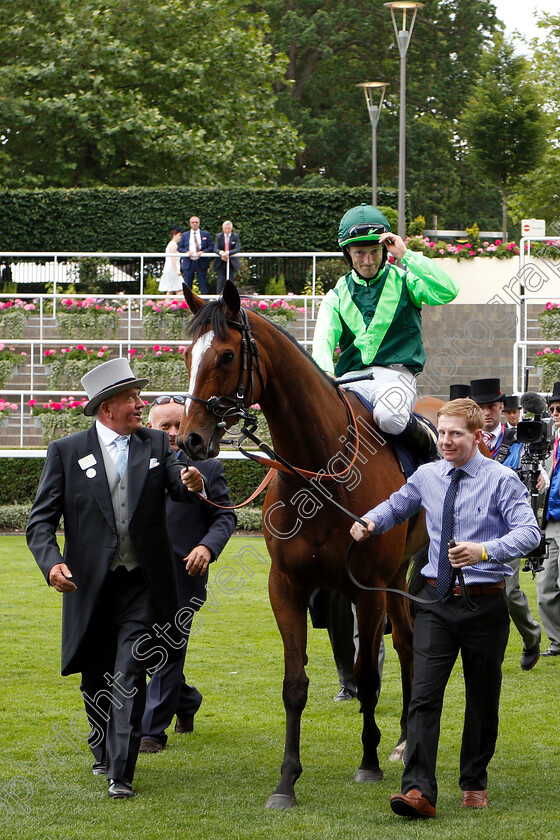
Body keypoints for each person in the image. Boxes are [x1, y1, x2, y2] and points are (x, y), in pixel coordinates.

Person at [350, 398, 540, 818]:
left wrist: (485, 550)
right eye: (442, 433)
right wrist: (369, 521)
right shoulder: (428, 475)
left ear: (476, 436)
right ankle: (417, 790)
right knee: (423, 695)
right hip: (435, 601)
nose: (447, 441)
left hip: (484, 605)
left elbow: (530, 533)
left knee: (482, 699)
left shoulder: (502, 479)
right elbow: (398, 504)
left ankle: (474, 781)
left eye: (456, 434)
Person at [26, 358, 204, 800]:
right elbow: (40, 522)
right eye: (132, 399)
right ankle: (102, 746)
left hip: (143, 584)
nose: (140, 405)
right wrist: (51, 564)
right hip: (89, 586)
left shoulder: (156, 445)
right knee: (95, 674)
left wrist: (193, 483)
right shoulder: (66, 452)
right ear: (107, 408)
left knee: (128, 672)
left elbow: (177, 487)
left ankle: (120, 773)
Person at [312, 204, 459, 458]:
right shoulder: (336, 294)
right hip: (350, 380)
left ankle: (432, 449)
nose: (367, 261)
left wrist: (407, 255)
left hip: (396, 377)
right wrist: (325, 371)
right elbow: (323, 339)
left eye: (374, 252)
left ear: (385, 249)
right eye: (359, 253)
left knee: (389, 417)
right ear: (347, 252)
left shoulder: (406, 281)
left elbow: (448, 290)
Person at [139, 395, 236, 752]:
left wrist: (206, 547)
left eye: (178, 424)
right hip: (136, 575)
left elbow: (225, 515)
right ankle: (187, 700)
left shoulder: (207, 467)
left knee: (167, 650)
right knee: (142, 650)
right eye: (164, 425)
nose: (172, 432)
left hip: (183, 577)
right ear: (149, 426)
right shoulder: (132, 461)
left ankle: (150, 732)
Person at [471, 378, 542, 670]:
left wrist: (540, 477)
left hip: (509, 526)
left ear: (502, 407)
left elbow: (537, 469)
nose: (488, 412)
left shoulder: (521, 438)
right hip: (472, 525)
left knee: (509, 591)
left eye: (492, 406)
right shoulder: (467, 441)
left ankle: (531, 633)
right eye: (482, 407)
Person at [537, 381, 560, 657]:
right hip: (551, 520)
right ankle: (556, 639)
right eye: (553, 408)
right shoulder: (552, 442)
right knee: (544, 586)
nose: (555, 412)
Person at [178, 216, 214, 295]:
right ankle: (187, 305)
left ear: (199, 223)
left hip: (201, 262)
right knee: (187, 286)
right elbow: (179, 247)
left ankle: (204, 304)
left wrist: (203, 252)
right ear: (190, 224)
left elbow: (211, 246)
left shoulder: (205, 234)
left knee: (203, 285)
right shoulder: (185, 235)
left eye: (196, 222)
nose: (195, 224)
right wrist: (186, 252)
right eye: (193, 222)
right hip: (189, 263)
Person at [214, 220, 241, 293]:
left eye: (228, 229)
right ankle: (219, 298)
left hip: (231, 262)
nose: (227, 230)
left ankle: (230, 298)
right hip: (220, 262)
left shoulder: (235, 236)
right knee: (220, 281)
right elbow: (215, 248)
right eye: (225, 229)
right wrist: (222, 253)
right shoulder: (219, 236)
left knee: (230, 281)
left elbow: (237, 248)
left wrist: (227, 253)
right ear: (223, 229)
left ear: (231, 229)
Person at [158, 226, 184, 295]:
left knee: (170, 290)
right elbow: (173, 258)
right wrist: (176, 270)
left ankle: (167, 304)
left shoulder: (171, 244)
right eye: (179, 235)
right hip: (172, 269)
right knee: (181, 289)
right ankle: (173, 304)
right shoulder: (173, 245)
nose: (180, 237)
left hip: (170, 268)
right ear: (174, 235)